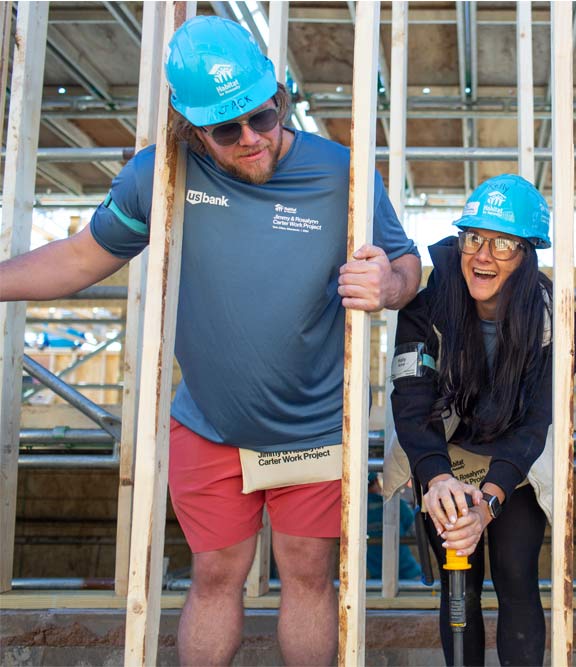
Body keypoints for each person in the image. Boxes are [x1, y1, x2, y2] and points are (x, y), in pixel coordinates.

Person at [0, 16, 420, 666]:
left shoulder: (340, 170)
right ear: (192, 125)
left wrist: (386, 285)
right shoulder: (160, 177)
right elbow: (81, 259)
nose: (253, 139)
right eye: (228, 129)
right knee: (215, 575)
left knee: (309, 576)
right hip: (209, 424)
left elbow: (407, 265)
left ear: (278, 96)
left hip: (312, 426)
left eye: (264, 115)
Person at [386, 174, 576, 667]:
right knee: (461, 579)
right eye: (474, 237)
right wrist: (434, 479)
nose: (483, 255)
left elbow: (535, 424)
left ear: (528, 254)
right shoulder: (426, 307)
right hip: (443, 449)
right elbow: (412, 401)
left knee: (517, 573)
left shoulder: (556, 325)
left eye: (503, 244)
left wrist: (489, 503)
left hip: (513, 456)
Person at [366, 473, 422, 581]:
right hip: (409, 573)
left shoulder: (355, 512)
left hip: (378, 578)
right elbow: (416, 531)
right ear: (377, 482)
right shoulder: (396, 503)